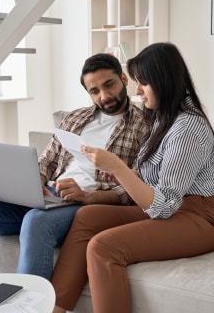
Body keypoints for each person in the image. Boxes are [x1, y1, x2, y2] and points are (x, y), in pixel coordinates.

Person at [50, 42, 214, 313]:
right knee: (87, 217)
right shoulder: (165, 117)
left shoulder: (188, 127)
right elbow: (155, 177)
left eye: (143, 83)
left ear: (163, 82)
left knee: (103, 248)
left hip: (200, 218)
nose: (136, 91)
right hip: (178, 210)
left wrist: (117, 168)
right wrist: (112, 173)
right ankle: (55, 307)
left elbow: (163, 206)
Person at [0, 53, 149, 280]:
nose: (104, 96)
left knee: (36, 222)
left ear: (124, 79)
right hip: (51, 194)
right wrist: (33, 182)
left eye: (109, 85)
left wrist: (86, 196)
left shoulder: (145, 125)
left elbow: (137, 186)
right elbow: (46, 161)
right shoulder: (75, 118)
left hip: (88, 204)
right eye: (94, 91)